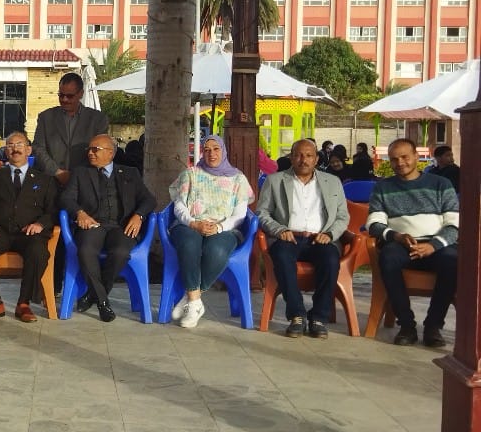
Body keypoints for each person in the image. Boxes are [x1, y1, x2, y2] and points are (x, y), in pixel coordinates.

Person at [367, 138, 459, 347]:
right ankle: (406, 325)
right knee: (388, 258)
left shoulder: (441, 184)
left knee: (453, 261)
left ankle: (433, 326)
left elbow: (454, 225)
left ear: (417, 157)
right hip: (401, 244)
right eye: (394, 159)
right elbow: (374, 224)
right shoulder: (383, 187)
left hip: (436, 246)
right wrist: (396, 236)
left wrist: (433, 245)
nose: (400, 163)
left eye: (405, 157)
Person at [256, 139, 349, 338]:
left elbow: (343, 216)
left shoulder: (332, 182)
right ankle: (297, 315)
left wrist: (330, 234)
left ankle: (319, 317)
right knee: (281, 257)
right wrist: (279, 229)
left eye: (308, 156)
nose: (303, 160)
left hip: (321, 239)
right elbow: (262, 213)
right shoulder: (275, 181)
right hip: (288, 237)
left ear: (316, 159)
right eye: (298, 155)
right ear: (291, 157)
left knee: (331, 260)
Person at [59, 134, 155, 322]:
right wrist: (79, 213)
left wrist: (139, 216)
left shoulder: (130, 173)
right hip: (93, 225)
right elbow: (65, 198)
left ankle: (92, 295)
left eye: (95, 149)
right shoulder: (80, 173)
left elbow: (149, 200)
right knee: (85, 251)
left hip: (121, 226)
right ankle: (103, 302)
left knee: (120, 252)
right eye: (89, 149)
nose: (90, 153)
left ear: (111, 153)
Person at [0, 131, 58, 323]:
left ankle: (24, 304)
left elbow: (53, 211)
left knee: (38, 251)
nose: (15, 149)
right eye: (10, 145)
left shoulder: (45, 180)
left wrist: (40, 224)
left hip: (29, 233)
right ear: (5, 151)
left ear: (28, 150)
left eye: (19, 144)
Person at [166, 135, 255, 328]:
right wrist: (193, 223)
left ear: (224, 151)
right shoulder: (191, 174)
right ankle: (195, 301)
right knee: (189, 244)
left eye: (216, 149)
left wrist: (220, 227)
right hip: (189, 225)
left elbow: (240, 214)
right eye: (206, 150)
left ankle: (191, 298)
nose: (211, 153)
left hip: (224, 228)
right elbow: (179, 207)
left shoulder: (238, 179)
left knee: (216, 250)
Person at [32, 71, 109, 188]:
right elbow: (38, 148)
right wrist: (57, 172)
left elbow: (99, 151)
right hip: (51, 182)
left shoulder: (98, 119)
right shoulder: (46, 117)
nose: (65, 99)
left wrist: (75, 176)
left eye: (70, 96)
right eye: (61, 95)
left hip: (85, 183)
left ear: (81, 94)